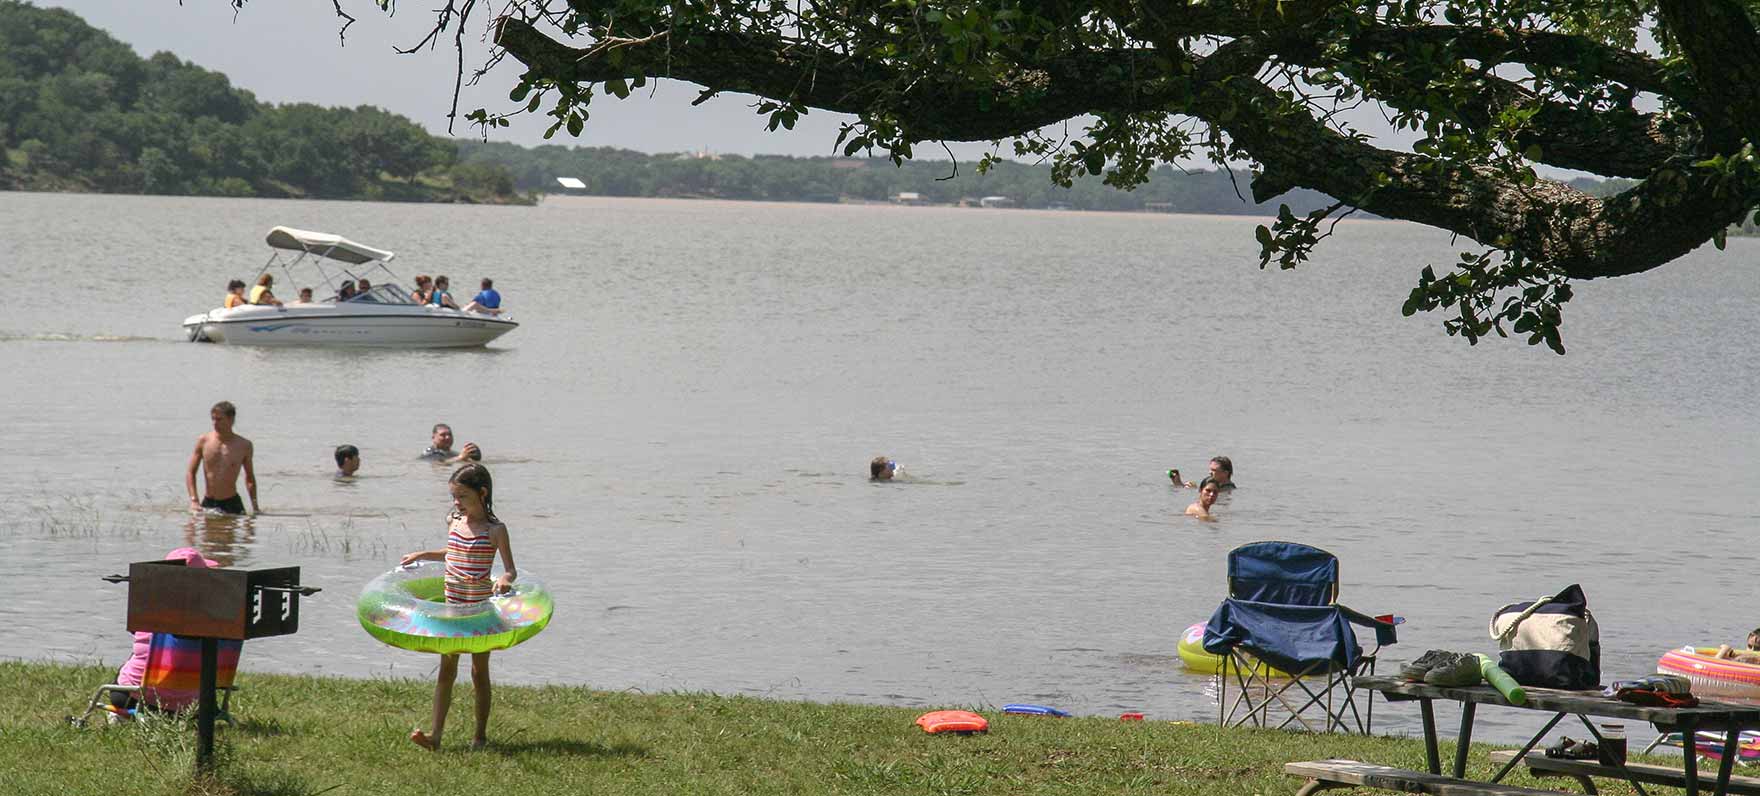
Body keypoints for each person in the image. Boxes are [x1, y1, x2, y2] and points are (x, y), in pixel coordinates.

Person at [400, 463, 517, 750]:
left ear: (482, 493)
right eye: (454, 496)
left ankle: (479, 736)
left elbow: (510, 569)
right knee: (446, 669)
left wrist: (503, 578)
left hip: (478, 611)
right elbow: (452, 552)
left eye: (462, 496)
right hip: (452, 608)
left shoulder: (495, 530)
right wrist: (423, 553)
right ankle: (435, 737)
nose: (457, 502)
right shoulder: (454, 521)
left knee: (479, 672)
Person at [111, 547, 221, 717]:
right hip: (194, 705)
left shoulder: (148, 608)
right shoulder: (220, 620)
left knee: (140, 654)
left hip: (135, 696)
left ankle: (125, 713)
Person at [186, 401, 258, 515]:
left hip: (232, 503)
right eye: (213, 419)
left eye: (219, 419)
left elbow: (249, 477)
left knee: (233, 532)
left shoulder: (244, 445)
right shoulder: (204, 441)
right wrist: (194, 500)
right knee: (207, 532)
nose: (215, 423)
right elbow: (191, 472)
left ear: (231, 420)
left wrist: (255, 506)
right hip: (209, 502)